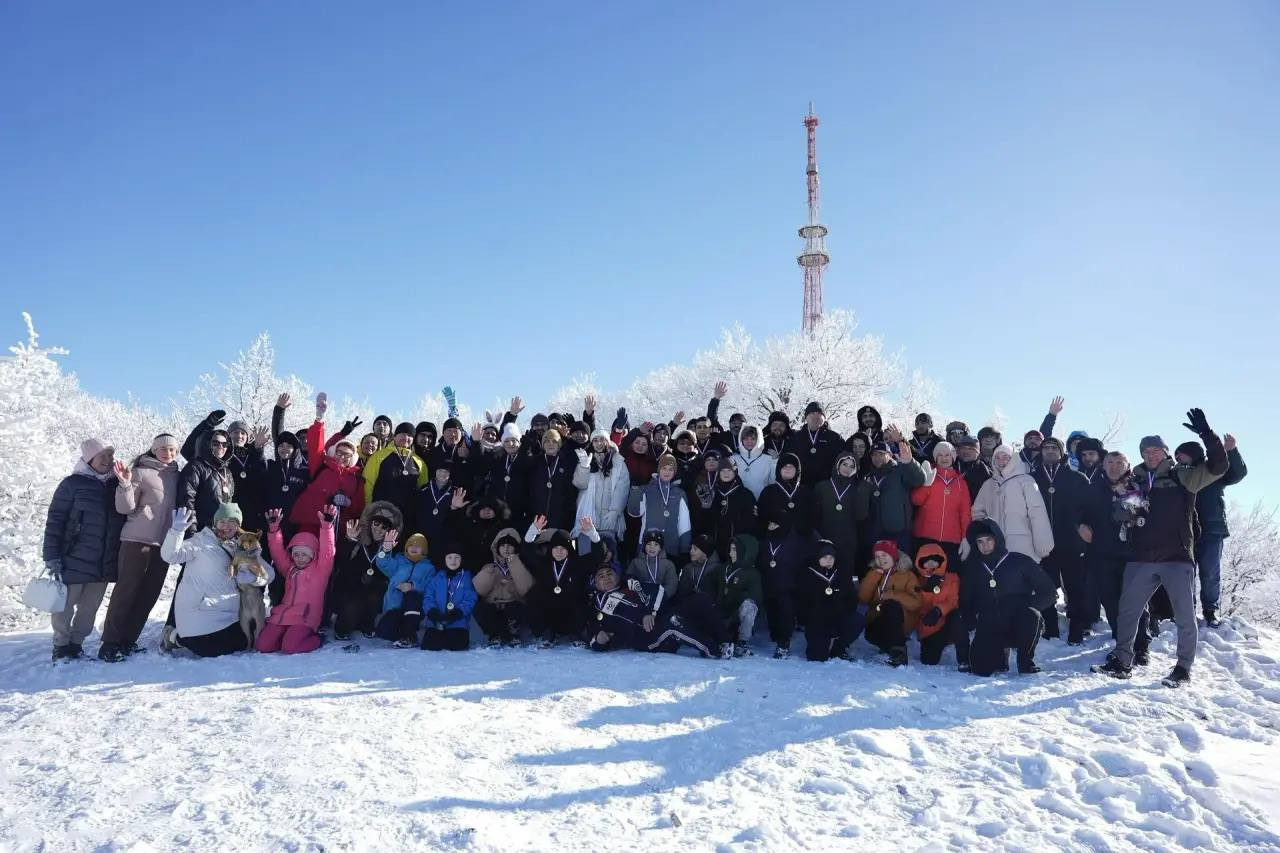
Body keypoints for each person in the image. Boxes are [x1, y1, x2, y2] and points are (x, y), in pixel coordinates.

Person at [1094, 411, 1228, 686]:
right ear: (1142, 454)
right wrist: (1127, 507)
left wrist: (1207, 434)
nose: (1152, 454)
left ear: (1165, 453)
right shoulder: (1137, 481)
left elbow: (1218, 466)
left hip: (1176, 556)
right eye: (1147, 451)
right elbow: (1121, 514)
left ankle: (1182, 668)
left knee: (1184, 616)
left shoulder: (1183, 476)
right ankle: (1122, 660)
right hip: (1141, 557)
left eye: (1156, 450)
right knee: (1128, 610)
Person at [99, 434, 180, 662]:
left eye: (172, 449)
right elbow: (124, 508)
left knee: (148, 595)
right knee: (126, 592)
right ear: (154, 449)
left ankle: (128, 640)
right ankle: (110, 642)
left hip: (162, 545)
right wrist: (125, 484)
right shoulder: (140, 471)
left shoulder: (176, 475)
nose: (168, 453)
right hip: (136, 541)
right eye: (163, 448)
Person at [43, 438, 123, 661]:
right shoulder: (72, 484)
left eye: (110, 455)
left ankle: (76, 643)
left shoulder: (116, 484)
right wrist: (51, 555)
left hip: (104, 559)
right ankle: (61, 644)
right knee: (64, 606)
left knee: (89, 608)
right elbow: (55, 520)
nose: (108, 460)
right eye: (102, 456)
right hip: (74, 557)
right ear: (89, 459)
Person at [161, 503, 274, 658]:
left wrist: (254, 578)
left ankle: (182, 639)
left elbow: (269, 573)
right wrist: (176, 532)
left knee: (259, 640)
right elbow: (170, 555)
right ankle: (176, 637)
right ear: (215, 523)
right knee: (216, 647)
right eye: (222, 521)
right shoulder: (200, 542)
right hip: (200, 617)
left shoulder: (243, 544)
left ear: (238, 525)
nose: (226, 526)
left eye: (232, 522)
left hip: (230, 617)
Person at [1079, 450, 1151, 665]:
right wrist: (1080, 525)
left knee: (1136, 602)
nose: (1113, 466)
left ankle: (1141, 647)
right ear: (1103, 465)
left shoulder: (1136, 487)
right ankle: (1123, 646)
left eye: (1119, 462)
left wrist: (1123, 495)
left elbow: (1129, 515)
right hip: (1102, 554)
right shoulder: (1093, 488)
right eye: (1109, 462)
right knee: (1111, 602)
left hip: (1133, 555)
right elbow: (1080, 511)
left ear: (1127, 465)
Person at [959, 519, 1056, 676]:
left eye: (989, 540)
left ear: (998, 539)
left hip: (1018, 621)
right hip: (989, 624)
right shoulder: (973, 569)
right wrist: (970, 618)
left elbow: (1049, 592)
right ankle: (999, 656)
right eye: (980, 542)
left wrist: (1028, 607)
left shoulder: (1019, 561)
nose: (985, 545)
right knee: (980, 670)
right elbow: (966, 601)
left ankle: (1025, 661)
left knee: (1031, 616)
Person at [1033, 438, 1094, 644]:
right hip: (1043, 543)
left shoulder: (1077, 477)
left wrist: (1083, 528)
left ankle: (1077, 628)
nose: (1049, 451)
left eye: (1054, 448)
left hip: (1071, 542)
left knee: (1075, 587)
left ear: (1061, 452)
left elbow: (1089, 509)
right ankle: (1050, 627)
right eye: (1046, 448)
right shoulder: (1032, 479)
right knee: (1046, 587)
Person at [1183, 433, 1246, 627]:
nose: (1179, 459)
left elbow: (1238, 473)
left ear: (1193, 454)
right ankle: (1187, 611)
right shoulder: (1180, 475)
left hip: (1212, 529)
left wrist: (1232, 451)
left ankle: (1211, 611)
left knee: (1210, 572)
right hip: (1186, 532)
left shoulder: (1214, 470)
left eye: (1182, 455)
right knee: (1186, 573)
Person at [587, 563, 717, 656]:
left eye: (610, 574)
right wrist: (598, 641)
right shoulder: (596, 605)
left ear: (617, 576)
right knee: (673, 623)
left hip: (659, 620)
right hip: (646, 638)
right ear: (596, 583)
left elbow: (658, 590)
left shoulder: (631, 586)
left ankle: (724, 640)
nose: (607, 578)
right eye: (601, 576)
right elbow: (592, 636)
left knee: (698, 601)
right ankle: (715, 650)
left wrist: (649, 612)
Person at [257, 506, 337, 654]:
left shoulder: (320, 570)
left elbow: (328, 550)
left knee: (290, 647)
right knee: (263, 646)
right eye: (296, 554)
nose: (299, 558)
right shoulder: (289, 569)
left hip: (305, 617)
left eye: (304, 554)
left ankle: (318, 639)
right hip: (284, 614)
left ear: (312, 555)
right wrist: (274, 530)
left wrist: (327, 527)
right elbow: (278, 553)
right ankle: (286, 637)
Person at [289, 394, 364, 535]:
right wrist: (320, 419)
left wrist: (349, 503)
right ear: (333, 453)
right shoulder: (322, 465)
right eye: (339, 452)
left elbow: (358, 506)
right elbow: (317, 444)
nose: (342, 457)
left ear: (353, 458)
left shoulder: (356, 477)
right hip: (311, 523)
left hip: (338, 529)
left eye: (347, 455)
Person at [524, 515, 602, 647]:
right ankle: (545, 634)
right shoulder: (544, 564)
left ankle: (576, 633)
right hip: (549, 612)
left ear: (569, 549)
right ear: (550, 549)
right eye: (555, 548)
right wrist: (532, 532)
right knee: (534, 596)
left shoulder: (578, 563)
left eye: (563, 548)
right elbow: (526, 553)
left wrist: (592, 534)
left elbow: (597, 556)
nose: (559, 552)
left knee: (581, 600)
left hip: (571, 613)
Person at [971, 445, 1054, 568]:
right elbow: (978, 514)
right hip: (996, 549)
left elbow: (1037, 513)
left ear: (1013, 459)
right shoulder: (988, 485)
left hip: (1023, 546)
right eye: (997, 458)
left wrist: (1043, 545)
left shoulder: (1026, 481)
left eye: (1005, 457)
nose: (1001, 461)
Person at [330, 501, 403, 641]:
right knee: (352, 603)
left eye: (385, 527)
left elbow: (391, 572)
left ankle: (367, 624)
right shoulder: (357, 538)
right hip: (349, 585)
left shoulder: (391, 546)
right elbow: (341, 560)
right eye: (376, 524)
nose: (379, 529)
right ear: (370, 523)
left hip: (373, 587)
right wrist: (350, 540)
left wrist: (387, 550)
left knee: (376, 595)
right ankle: (342, 628)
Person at [855, 436, 925, 559]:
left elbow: (919, 480)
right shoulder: (868, 477)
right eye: (874, 455)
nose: (877, 458)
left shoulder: (900, 470)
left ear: (890, 454)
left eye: (881, 454)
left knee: (901, 567)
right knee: (879, 568)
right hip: (876, 532)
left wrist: (910, 463)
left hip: (899, 531)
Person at [859, 540, 921, 667]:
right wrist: (873, 576)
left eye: (884, 555)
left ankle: (899, 652)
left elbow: (916, 603)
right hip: (878, 619)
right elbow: (863, 598)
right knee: (871, 632)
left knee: (891, 605)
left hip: (900, 622)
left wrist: (893, 595)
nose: (881, 560)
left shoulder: (908, 575)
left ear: (893, 555)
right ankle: (888, 648)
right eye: (877, 556)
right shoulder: (875, 573)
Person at [801, 540, 865, 662]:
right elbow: (804, 603)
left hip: (837, 616)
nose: (829, 560)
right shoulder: (807, 574)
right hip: (817, 620)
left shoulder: (841, 573)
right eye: (824, 557)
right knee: (817, 658)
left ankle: (839, 647)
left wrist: (840, 606)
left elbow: (851, 598)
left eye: (831, 557)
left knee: (857, 620)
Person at [910, 441, 972, 566]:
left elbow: (965, 513)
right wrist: (926, 485)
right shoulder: (928, 473)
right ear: (935, 457)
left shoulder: (961, 482)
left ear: (953, 458)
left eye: (947, 455)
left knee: (949, 578)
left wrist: (966, 537)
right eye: (940, 455)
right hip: (926, 535)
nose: (944, 458)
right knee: (925, 578)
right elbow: (916, 500)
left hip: (952, 538)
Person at [472, 528, 535, 647]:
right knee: (482, 609)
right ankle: (494, 634)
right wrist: (487, 574)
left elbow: (526, 588)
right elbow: (479, 589)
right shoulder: (490, 566)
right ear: (497, 548)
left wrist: (515, 564)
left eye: (510, 546)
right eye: (503, 546)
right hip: (493, 605)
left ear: (515, 548)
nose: (506, 549)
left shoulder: (521, 565)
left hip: (512, 606)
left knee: (518, 608)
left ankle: (513, 633)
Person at [363, 422, 430, 532]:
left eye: (410, 435)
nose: (406, 438)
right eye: (402, 434)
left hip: (408, 517)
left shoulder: (419, 462)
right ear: (395, 436)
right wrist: (368, 509)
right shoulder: (379, 456)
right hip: (382, 515)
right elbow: (367, 484)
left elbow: (423, 489)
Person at [373, 531, 435, 648]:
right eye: (411, 545)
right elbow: (382, 563)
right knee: (383, 632)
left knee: (412, 596)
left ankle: (410, 636)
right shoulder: (398, 562)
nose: (414, 548)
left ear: (424, 550)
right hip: (395, 607)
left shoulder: (429, 568)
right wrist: (385, 550)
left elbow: (430, 587)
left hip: (415, 607)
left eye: (418, 546)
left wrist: (413, 586)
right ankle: (403, 632)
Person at [572, 429, 631, 552]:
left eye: (602, 440)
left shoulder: (618, 461)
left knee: (607, 555)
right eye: (595, 440)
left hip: (608, 517)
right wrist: (584, 467)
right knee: (586, 554)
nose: (598, 443)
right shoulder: (586, 459)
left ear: (608, 442)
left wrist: (615, 511)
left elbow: (622, 489)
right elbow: (580, 484)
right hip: (587, 517)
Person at [628, 454, 693, 560]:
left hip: (671, 546)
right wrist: (635, 492)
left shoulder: (679, 493)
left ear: (674, 472)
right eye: (664, 468)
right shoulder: (647, 490)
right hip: (649, 544)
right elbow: (635, 513)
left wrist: (685, 548)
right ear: (659, 470)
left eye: (670, 469)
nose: (667, 472)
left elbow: (684, 523)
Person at [913, 543, 965, 667]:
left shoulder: (952, 578)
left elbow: (954, 600)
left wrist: (939, 610)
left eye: (934, 561)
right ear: (920, 562)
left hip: (946, 621)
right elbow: (916, 605)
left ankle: (963, 659)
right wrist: (926, 590)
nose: (931, 565)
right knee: (929, 660)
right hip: (928, 626)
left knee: (958, 616)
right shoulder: (916, 580)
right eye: (927, 561)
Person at [421, 543, 478, 651]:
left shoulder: (467, 578)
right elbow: (428, 597)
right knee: (429, 647)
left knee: (457, 647)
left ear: (462, 560)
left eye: (457, 557)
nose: (453, 561)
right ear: (444, 559)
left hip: (458, 622)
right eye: (450, 557)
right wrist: (432, 611)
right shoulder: (437, 578)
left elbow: (470, 599)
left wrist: (459, 612)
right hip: (436, 622)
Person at [813, 452, 861, 580]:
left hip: (848, 541)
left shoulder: (859, 488)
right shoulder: (822, 486)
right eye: (844, 464)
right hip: (826, 539)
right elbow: (814, 515)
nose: (847, 468)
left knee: (844, 575)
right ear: (838, 465)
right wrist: (819, 537)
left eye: (852, 466)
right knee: (824, 575)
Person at [717, 534, 764, 657]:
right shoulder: (723, 568)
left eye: (734, 550)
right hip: (719, 613)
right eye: (730, 549)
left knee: (749, 606)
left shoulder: (753, 574)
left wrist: (734, 599)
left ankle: (742, 642)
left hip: (737, 616)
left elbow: (756, 597)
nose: (731, 553)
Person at [784, 402, 844, 487]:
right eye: (812, 413)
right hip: (801, 486)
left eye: (820, 414)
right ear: (806, 417)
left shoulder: (835, 438)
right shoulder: (796, 438)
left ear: (824, 418)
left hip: (827, 486)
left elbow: (843, 460)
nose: (816, 416)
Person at [626, 528, 679, 610]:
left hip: (662, 601)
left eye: (656, 544)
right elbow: (629, 580)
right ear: (644, 546)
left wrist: (660, 598)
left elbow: (672, 584)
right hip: (640, 600)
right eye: (649, 544)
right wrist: (639, 595)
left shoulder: (668, 564)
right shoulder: (635, 562)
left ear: (661, 547)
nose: (652, 548)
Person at [732, 423, 776, 499]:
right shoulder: (733, 459)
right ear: (741, 440)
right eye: (746, 438)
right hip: (738, 503)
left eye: (753, 438)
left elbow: (772, 482)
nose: (749, 442)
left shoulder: (768, 460)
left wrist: (775, 461)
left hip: (761, 501)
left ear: (758, 440)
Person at [955, 436, 991, 504]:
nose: (966, 451)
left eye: (971, 448)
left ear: (978, 452)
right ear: (958, 450)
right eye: (963, 448)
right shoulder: (950, 465)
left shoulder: (985, 472)